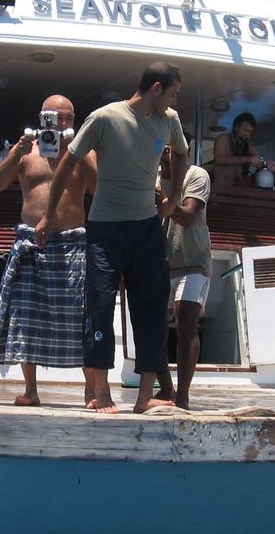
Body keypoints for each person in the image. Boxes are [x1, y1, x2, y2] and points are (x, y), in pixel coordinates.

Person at [36, 62, 189, 413]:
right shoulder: (105, 117)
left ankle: (145, 396)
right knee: (100, 306)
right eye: (173, 94)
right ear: (156, 88)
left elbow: (181, 153)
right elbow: (67, 163)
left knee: (152, 308)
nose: (175, 101)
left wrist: (175, 195)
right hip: (106, 229)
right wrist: (48, 215)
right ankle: (101, 391)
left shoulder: (170, 121)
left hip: (147, 227)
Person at [0, 95, 98, 407]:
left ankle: (91, 389)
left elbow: (97, 188)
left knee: (80, 317)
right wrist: (16, 151)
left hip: (71, 244)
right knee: (25, 316)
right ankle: (30, 390)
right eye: (54, 117)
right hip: (31, 243)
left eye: (67, 117)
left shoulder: (82, 150)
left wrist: (79, 151)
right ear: (42, 117)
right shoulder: (27, 150)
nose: (60, 123)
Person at [155, 138, 211, 410]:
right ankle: (166, 387)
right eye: (164, 142)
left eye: (175, 143)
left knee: (186, 322)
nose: (168, 148)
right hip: (158, 263)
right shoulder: (150, 175)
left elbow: (187, 216)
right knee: (151, 327)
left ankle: (183, 395)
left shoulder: (197, 175)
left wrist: (161, 200)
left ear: (186, 150)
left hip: (193, 262)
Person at [211, 111, 275, 188]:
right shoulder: (222, 138)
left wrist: (269, 165)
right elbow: (219, 159)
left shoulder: (249, 147)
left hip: (238, 190)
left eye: (250, 132)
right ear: (236, 127)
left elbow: (259, 162)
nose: (247, 135)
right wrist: (248, 159)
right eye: (245, 130)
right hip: (220, 188)